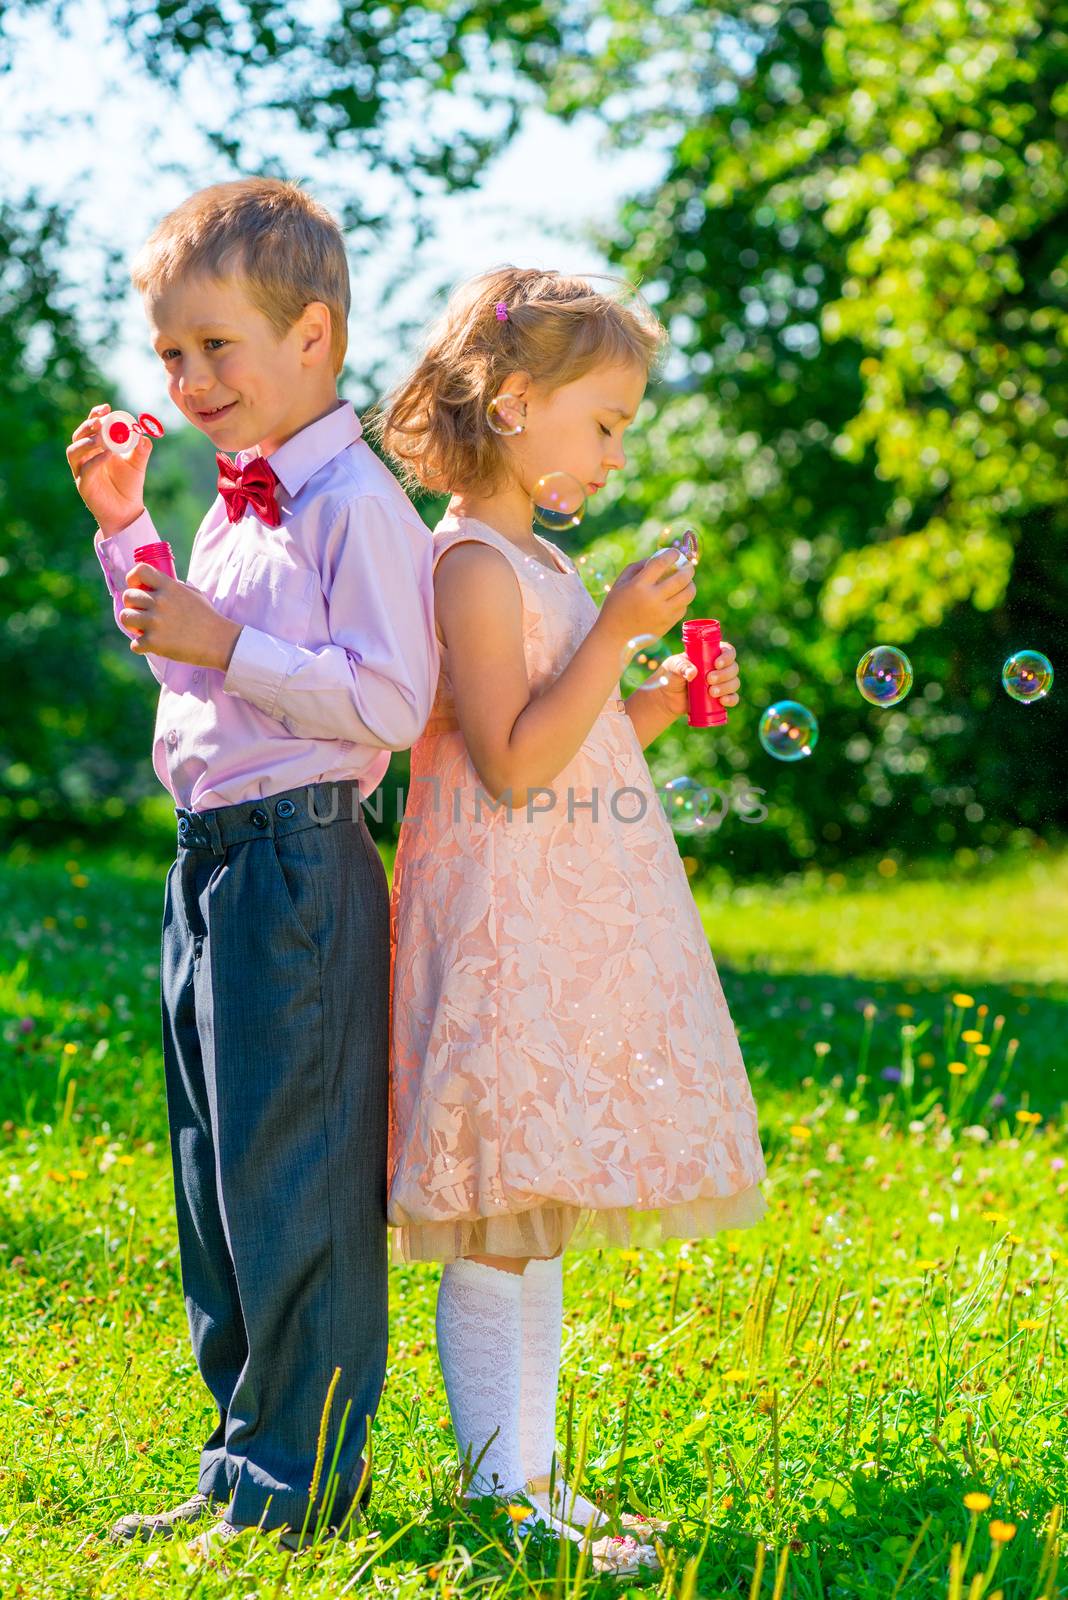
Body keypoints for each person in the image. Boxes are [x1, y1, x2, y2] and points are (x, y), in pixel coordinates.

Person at [65, 177, 438, 1558]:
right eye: (170, 354)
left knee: (295, 1179)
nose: (188, 376)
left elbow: (391, 704)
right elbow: (187, 654)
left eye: (215, 346)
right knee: (216, 1179)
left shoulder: (356, 505)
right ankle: (242, 1464)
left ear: (314, 336)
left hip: (299, 866)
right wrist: (126, 527)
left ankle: (306, 1487)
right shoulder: (236, 504)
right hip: (209, 862)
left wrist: (235, 649)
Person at [380, 267, 767, 1575]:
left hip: (555, 932)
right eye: (604, 423)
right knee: (497, 1218)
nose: (616, 451)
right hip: (497, 934)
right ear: (515, 399)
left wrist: (665, 699)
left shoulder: (540, 562)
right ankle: (498, 1500)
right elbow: (508, 760)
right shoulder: (472, 567)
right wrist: (612, 628)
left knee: (532, 1215)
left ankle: (532, 1479)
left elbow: (580, 735)